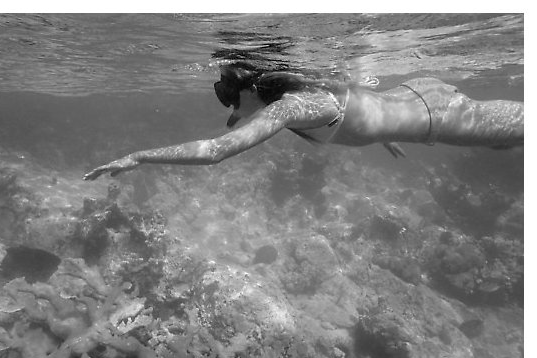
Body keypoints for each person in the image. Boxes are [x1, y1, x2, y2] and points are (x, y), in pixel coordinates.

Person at [83, 62, 523, 181]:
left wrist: (138, 156)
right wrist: (385, 133)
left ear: (259, 88)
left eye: (229, 94)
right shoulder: (284, 100)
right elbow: (235, 126)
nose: (228, 106)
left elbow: (215, 151)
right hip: (414, 97)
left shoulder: (295, 106)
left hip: (441, 116)